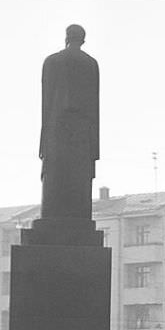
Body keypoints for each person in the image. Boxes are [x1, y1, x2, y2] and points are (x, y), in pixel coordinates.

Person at [39, 24, 99, 220]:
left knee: (55, 180)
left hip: (57, 129)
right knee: (79, 184)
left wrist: (43, 141)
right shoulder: (91, 64)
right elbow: (94, 106)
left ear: (66, 38)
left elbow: (46, 102)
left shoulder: (52, 62)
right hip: (83, 134)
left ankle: (52, 217)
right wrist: (95, 148)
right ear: (83, 40)